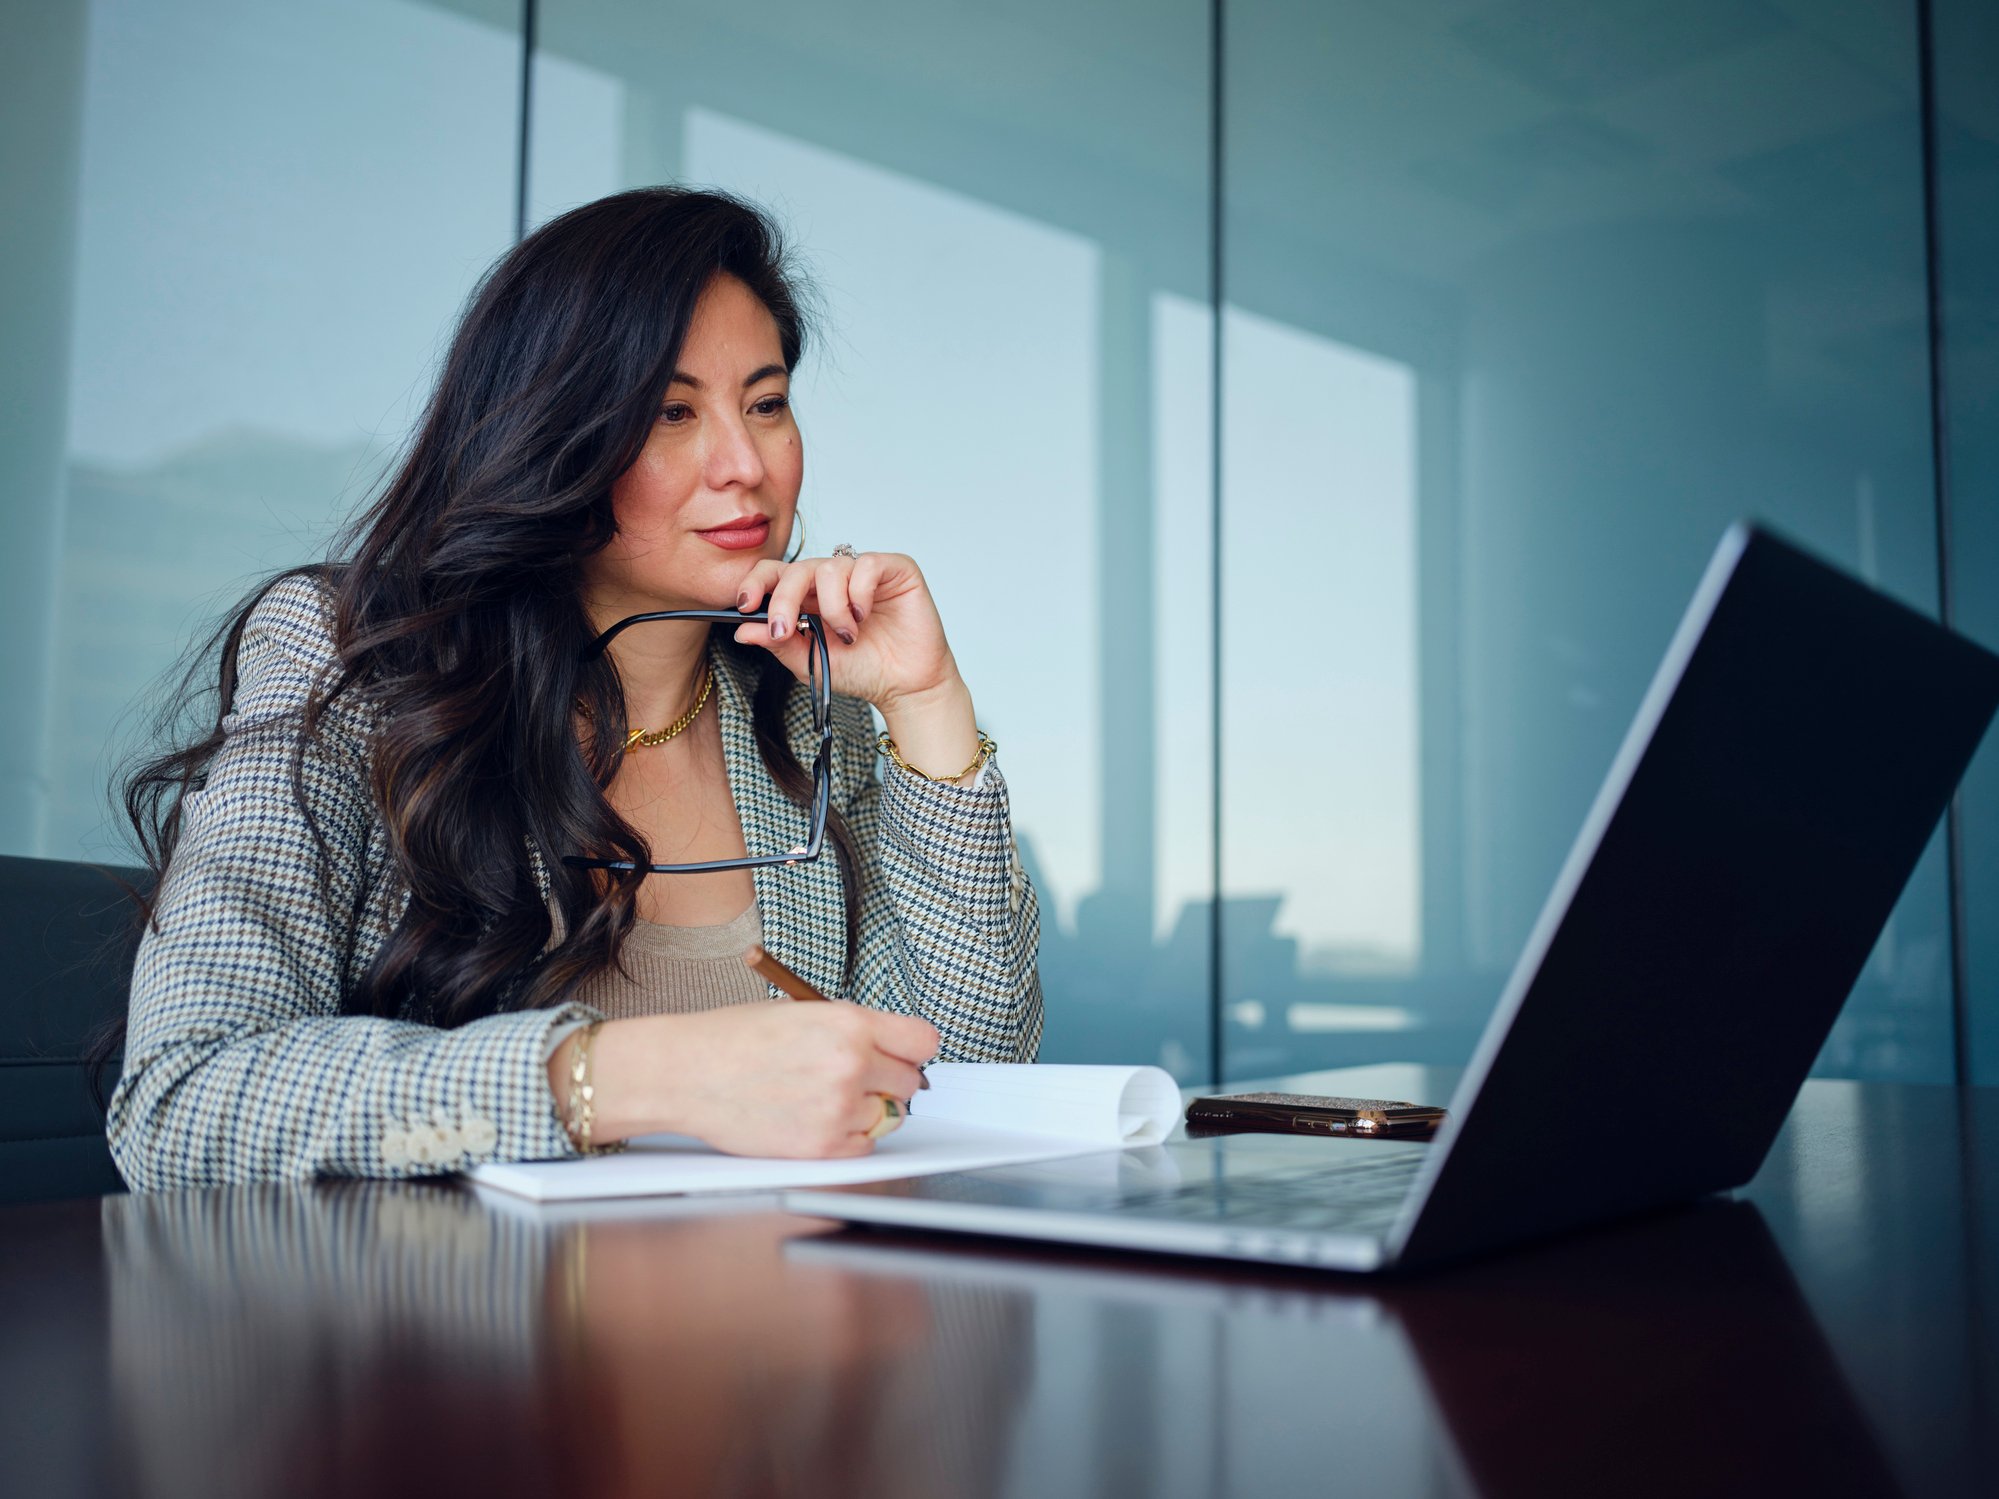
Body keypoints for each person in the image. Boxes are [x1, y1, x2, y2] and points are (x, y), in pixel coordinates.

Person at [105, 187, 1043, 1191]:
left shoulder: (815, 718)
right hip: (452, 1332)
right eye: (670, 412)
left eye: (766, 404)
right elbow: (180, 1099)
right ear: (554, 432)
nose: (745, 465)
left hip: (775, 1320)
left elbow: (971, 1075)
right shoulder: (355, 664)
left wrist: (925, 700)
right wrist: (627, 1075)